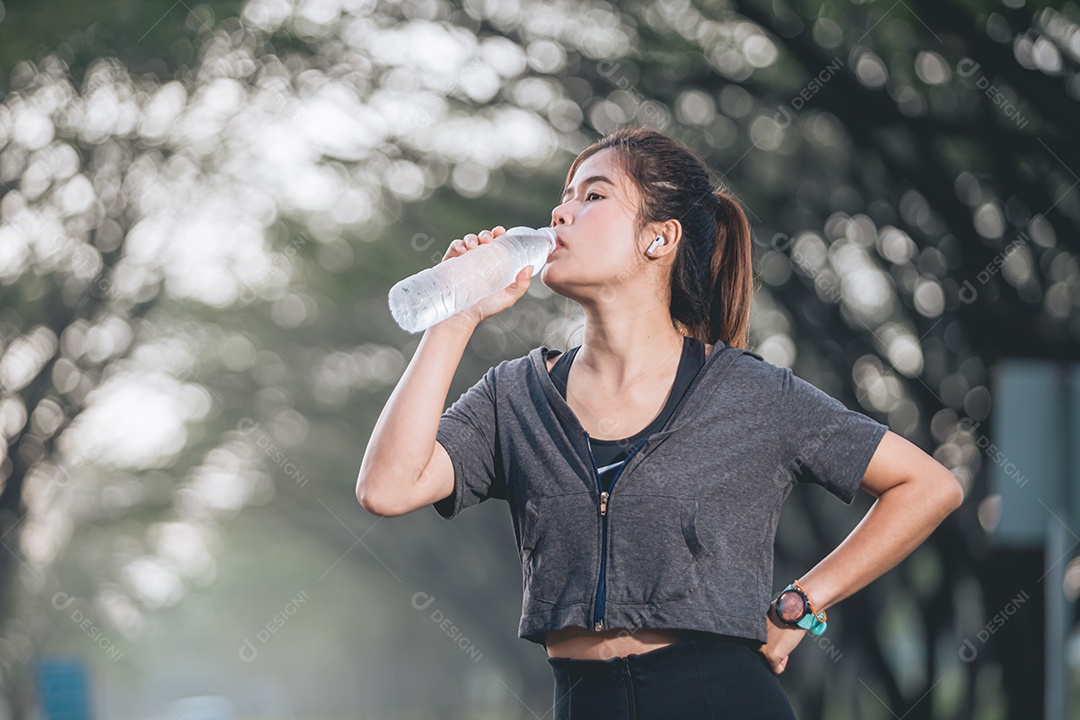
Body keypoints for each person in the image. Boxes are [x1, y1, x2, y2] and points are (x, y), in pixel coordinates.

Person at [356, 125, 965, 719]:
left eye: (593, 196)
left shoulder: (749, 393)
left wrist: (804, 602)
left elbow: (928, 485)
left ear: (659, 238)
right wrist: (455, 318)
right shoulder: (512, 396)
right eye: (564, 198)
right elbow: (387, 488)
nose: (561, 214)